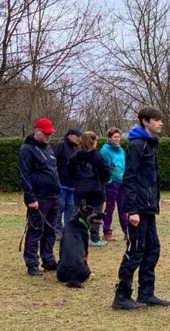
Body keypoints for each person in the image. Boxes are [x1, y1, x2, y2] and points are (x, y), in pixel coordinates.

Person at [112, 106, 169, 310]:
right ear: (145, 122)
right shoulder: (137, 145)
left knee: (153, 248)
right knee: (135, 250)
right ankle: (122, 295)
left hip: (149, 207)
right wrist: (132, 210)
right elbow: (130, 177)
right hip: (139, 208)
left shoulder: (150, 145)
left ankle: (146, 292)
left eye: (160, 120)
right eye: (156, 120)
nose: (160, 123)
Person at [18, 118, 61, 276]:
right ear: (37, 131)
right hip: (39, 198)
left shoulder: (49, 149)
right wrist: (30, 198)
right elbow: (24, 175)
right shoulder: (27, 150)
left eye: (50, 134)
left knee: (50, 230)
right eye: (46, 134)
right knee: (36, 230)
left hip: (53, 196)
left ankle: (48, 260)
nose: (49, 137)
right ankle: (32, 263)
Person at [68, 131, 111, 247]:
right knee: (96, 213)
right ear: (93, 142)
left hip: (80, 190)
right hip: (96, 190)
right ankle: (95, 239)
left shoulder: (75, 156)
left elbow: (69, 171)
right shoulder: (97, 156)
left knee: (79, 214)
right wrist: (102, 180)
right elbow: (106, 172)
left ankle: (77, 237)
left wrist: (77, 180)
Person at [99, 128, 128, 242]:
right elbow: (104, 168)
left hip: (122, 181)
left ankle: (126, 232)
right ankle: (107, 232)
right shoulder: (104, 151)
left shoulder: (121, 150)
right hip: (112, 183)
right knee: (110, 207)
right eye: (114, 137)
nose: (117, 139)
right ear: (109, 138)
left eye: (118, 137)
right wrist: (109, 181)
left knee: (123, 208)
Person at [52, 128, 81, 234]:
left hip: (72, 184)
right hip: (61, 183)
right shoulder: (60, 146)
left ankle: (68, 230)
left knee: (70, 208)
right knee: (60, 207)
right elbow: (52, 162)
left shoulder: (75, 149)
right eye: (77, 136)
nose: (79, 139)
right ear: (70, 136)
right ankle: (57, 230)